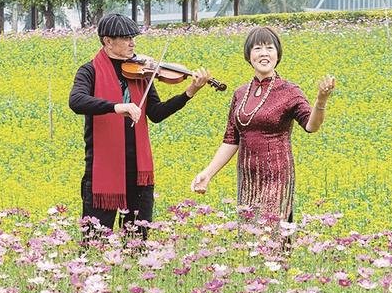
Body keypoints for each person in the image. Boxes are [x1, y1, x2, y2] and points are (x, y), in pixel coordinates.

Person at [69, 13, 210, 239]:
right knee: (95, 241)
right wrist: (117, 107)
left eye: (133, 37)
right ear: (107, 41)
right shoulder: (90, 71)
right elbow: (76, 101)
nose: (132, 42)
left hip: (138, 172)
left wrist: (189, 92)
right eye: (126, 38)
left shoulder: (140, 72)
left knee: (138, 242)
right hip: (102, 170)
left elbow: (155, 113)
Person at [191, 26, 335, 225]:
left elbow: (312, 126)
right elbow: (231, 140)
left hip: (277, 176)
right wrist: (207, 173)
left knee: (272, 236)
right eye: (258, 48)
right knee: (249, 237)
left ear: (278, 55)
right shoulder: (240, 93)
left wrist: (321, 101)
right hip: (247, 179)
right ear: (249, 56)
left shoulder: (289, 90)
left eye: (270, 48)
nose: (264, 53)